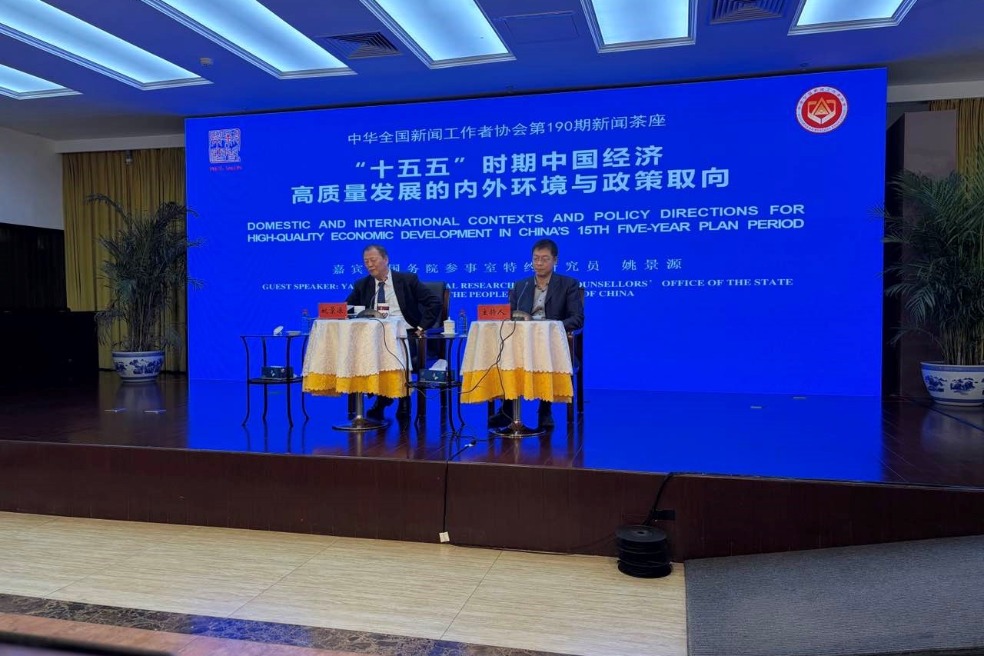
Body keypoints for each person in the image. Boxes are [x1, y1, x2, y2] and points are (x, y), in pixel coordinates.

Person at [489, 238, 584, 430]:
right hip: (522, 343)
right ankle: (508, 409)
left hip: (552, 343)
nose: (539, 263)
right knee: (504, 354)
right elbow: (509, 317)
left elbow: (577, 318)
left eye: (544, 259)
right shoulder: (521, 285)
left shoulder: (568, 284)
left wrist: (552, 327)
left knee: (543, 353)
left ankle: (545, 409)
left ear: (555, 260)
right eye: (535, 258)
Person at [347, 244, 442, 420]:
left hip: (406, 334)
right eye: (366, 262)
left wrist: (421, 328)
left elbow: (434, 303)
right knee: (364, 350)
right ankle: (382, 396)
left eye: (373, 260)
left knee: (395, 348)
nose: (369, 265)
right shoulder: (362, 285)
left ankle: (400, 399)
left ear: (386, 259)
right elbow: (347, 309)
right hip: (374, 336)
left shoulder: (407, 280)